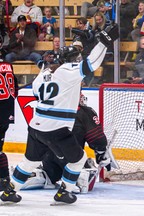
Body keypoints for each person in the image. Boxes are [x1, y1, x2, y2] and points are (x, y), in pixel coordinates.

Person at [0, 24, 119, 204]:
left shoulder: (45, 73)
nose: (78, 60)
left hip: (35, 126)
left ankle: (9, 192)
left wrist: (82, 44)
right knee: (79, 160)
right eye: (76, 58)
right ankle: (64, 192)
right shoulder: (68, 71)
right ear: (69, 61)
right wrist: (103, 43)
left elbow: (40, 89)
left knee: (29, 161)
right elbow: (91, 64)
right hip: (57, 128)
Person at [21, 92, 110, 193]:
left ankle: (44, 176)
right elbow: (97, 140)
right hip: (72, 160)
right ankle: (78, 177)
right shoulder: (85, 112)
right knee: (82, 166)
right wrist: (102, 153)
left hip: (49, 162)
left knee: (48, 166)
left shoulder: (47, 112)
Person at [0, 36, 18, 191]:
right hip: (7, 113)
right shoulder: (8, 65)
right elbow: (15, 90)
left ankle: (4, 181)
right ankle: (4, 180)